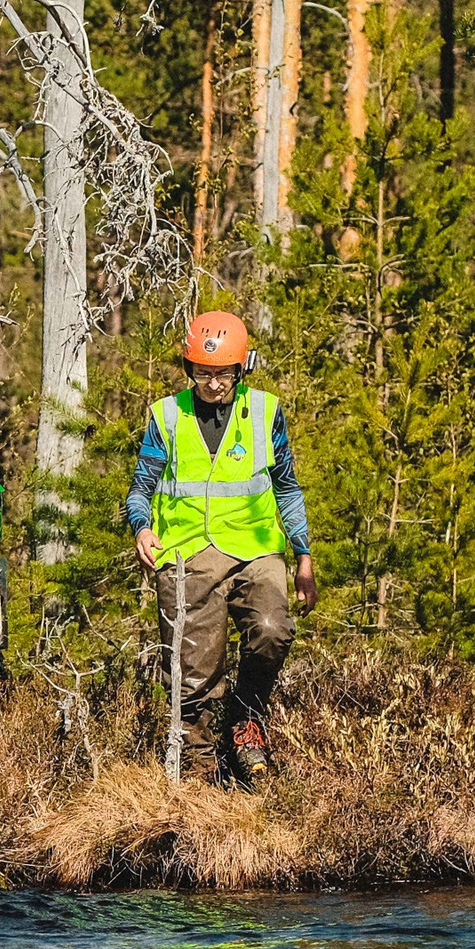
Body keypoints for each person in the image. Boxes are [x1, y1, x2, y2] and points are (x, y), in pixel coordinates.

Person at [125, 311, 316, 781]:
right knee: (193, 675)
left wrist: (303, 556)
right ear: (190, 369)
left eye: (224, 372)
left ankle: (247, 720)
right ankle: (198, 773)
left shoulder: (266, 413)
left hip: (255, 549)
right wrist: (141, 528)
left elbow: (287, 488)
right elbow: (140, 487)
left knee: (273, 629)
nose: (214, 383)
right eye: (204, 372)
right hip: (187, 552)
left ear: (242, 368)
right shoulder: (166, 416)